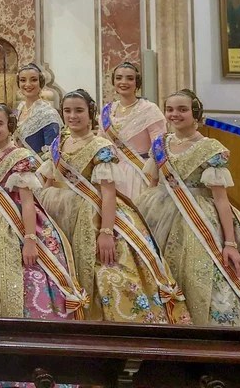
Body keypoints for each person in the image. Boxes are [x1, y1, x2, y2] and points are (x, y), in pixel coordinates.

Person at [135, 89, 240, 328]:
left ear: (195, 113)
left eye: (182, 109)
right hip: (157, 212)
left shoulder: (211, 149)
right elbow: (152, 183)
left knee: (197, 272)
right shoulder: (160, 144)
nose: (174, 114)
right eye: (170, 109)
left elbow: (221, 199)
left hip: (199, 218)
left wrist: (230, 243)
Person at [37, 90, 190, 325]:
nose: (73, 116)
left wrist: (106, 232)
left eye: (79, 110)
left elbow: (108, 193)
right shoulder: (59, 144)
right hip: (57, 211)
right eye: (67, 111)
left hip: (93, 216)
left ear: (91, 113)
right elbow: (49, 179)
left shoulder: (101, 147)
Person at [0, 103, 85, 322]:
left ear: (10, 126)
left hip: (17, 223)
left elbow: (28, 202)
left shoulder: (20, 157)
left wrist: (30, 240)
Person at [100, 61, 167, 200]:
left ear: (137, 83)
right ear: (113, 81)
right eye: (119, 78)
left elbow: (159, 147)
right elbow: (100, 144)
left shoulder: (149, 109)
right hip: (111, 173)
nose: (123, 82)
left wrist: (154, 182)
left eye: (130, 78)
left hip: (140, 173)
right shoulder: (107, 111)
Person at [15, 63, 61, 158]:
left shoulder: (48, 113)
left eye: (34, 80)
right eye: (23, 80)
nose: (28, 84)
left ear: (40, 82)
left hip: (39, 165)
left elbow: (51, 152)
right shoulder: (19, 109)